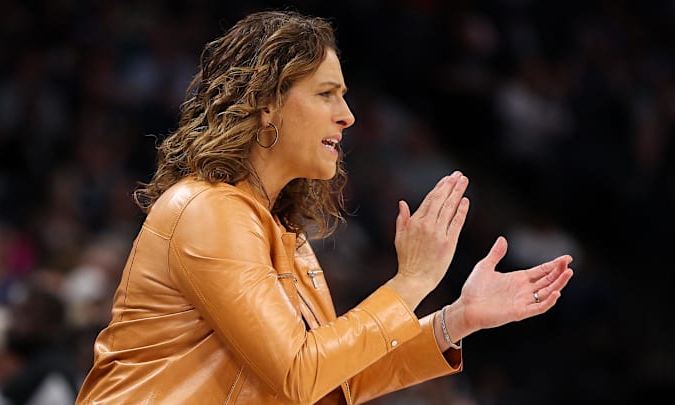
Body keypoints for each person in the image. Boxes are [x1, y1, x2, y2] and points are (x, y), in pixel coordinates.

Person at [75, 10, 574, 405]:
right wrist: (411, 282)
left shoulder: (282, 232)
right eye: (326, 94)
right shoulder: (206, 210)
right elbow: (300, 372)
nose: (348, 115)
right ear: (266, 103)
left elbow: (334, 381)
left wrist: (456, 320)